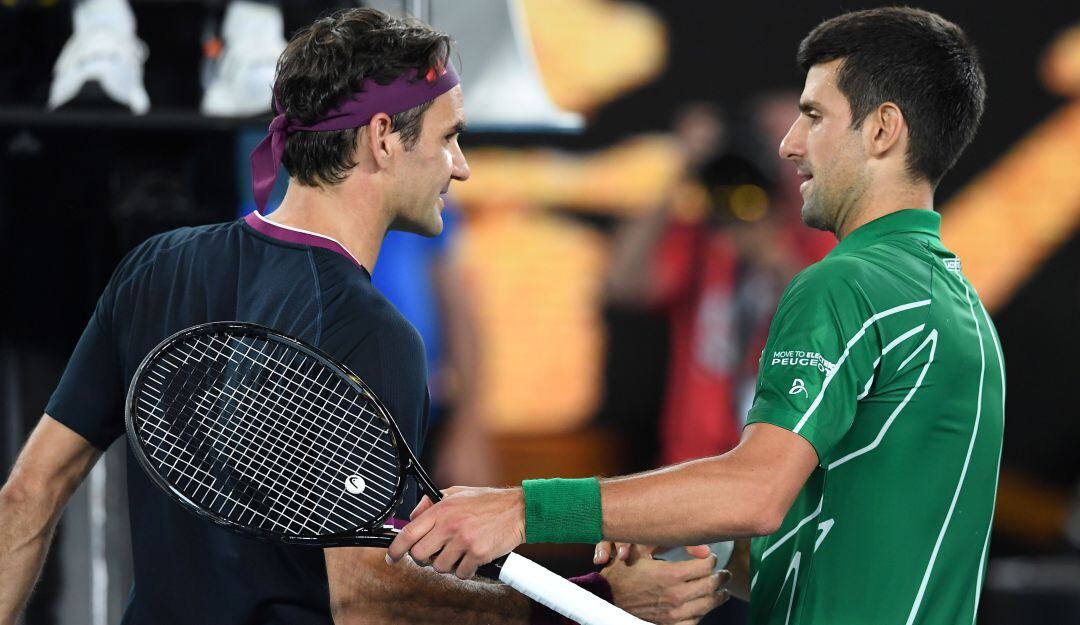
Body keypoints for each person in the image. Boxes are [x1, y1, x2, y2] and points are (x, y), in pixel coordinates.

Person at [0, 8, 730, 625]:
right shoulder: (373, 333)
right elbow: (364, 594)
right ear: (383, 138)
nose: (463, 165)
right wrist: (587, 599)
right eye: (448, 137)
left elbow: (27, 495)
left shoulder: (158, 264)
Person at [387, 7, 1005, 625]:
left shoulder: (845, 283)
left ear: (882, 131)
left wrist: (522, 508)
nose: (790, 143)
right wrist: (678, 544)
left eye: (814, 116)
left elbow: (755, 494)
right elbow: (834, 541)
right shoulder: (959, 305)